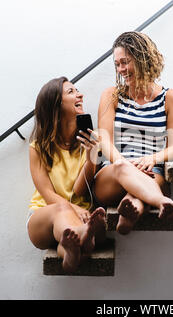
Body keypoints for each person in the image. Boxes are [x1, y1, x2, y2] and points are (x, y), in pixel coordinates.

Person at [93, 31, 173, 235]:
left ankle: (130, 211)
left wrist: (153, 158)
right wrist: (124, 163)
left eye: (125, 62)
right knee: (123, 170)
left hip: (151, 170)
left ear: (143, 59)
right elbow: (104, 141)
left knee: (141, 190)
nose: (121, 69)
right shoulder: (111, 95)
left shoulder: (171, 98)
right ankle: (162, 202)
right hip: (114, 172)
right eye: (117, 64)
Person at [27, 76, 106, 274]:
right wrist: (73, 208)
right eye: (71, 92)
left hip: (78, 218)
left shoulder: (92, 139)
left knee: (75, 242)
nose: (80, 94)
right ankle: (82, 234)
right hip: (44, 218)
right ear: (56, 105)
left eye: (77, 90)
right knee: (63, 210)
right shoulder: (38, 147)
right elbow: (47, 194)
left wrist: (91, 159)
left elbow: (81, 189)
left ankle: (70, 256)